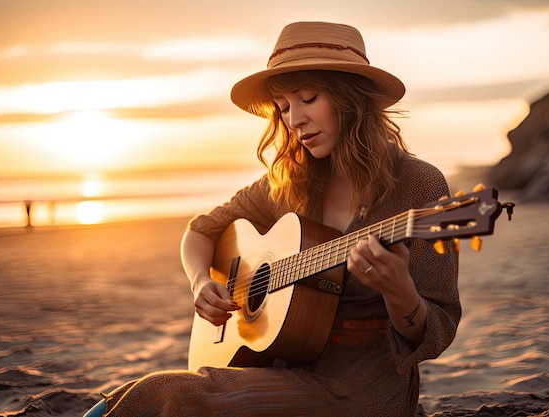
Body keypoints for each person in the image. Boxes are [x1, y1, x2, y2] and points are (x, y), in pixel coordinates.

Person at [85, 21, 460, 417]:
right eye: (282, 107)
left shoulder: (419, 187)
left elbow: (438, 330)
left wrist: (399, 291)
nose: (293, 119)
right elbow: (201, 230)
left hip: (362, 387)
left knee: (171, 394)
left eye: (308, 98)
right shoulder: (292, 182)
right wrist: (199, 283)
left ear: (352, 98)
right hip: (284, 364)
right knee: (136, 392)